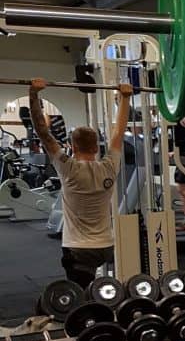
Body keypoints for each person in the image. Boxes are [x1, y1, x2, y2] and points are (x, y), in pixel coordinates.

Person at [28, 79, 133, 288]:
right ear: (96, 148)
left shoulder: (68, 168)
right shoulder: (109, 166)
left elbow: (43, 132)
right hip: (105, 247)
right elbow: (118, 132)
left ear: (73, 147)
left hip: (78, 250)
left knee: (79, 295)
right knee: (93, 290)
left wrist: (33, 95)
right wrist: (125, 98)